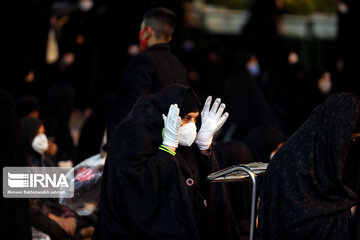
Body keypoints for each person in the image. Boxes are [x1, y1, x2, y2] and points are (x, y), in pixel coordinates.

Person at [94, 84, 243, 239]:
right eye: (187, 118)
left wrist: (204, 149)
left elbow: (198, 186)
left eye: (195, 119)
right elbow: (133, 191)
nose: (192, 125)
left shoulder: (183, 145)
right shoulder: (134, 135)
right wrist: (167, 151)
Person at [258, 93, 360, 240]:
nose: (352, 143)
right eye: (352, 138)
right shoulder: (293, 162)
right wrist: (350, 215)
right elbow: (295, 225)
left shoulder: (321, 153)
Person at [108, 7, 188, 142]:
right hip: (167, 143)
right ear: (169, 37)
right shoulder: (179, 66)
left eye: (141, 29)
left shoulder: (143, 61)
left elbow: (133, 106)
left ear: (147, 32)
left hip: (137, 144)